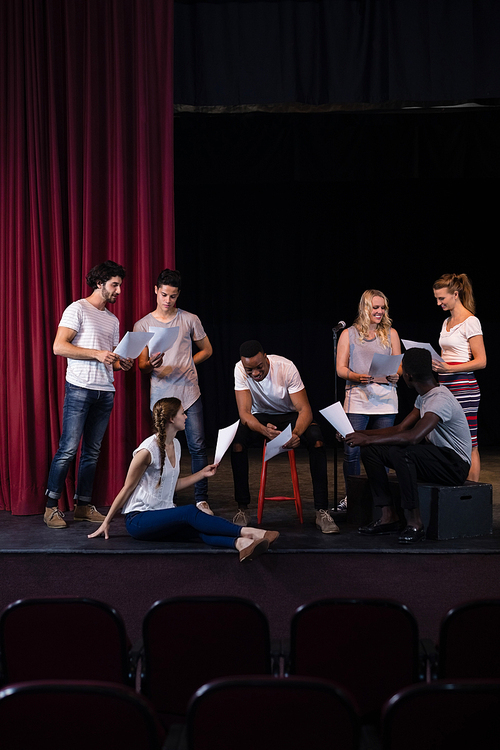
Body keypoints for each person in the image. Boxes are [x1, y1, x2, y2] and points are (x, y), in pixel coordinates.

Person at [88, 398, 278, 562]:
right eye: (182, 413)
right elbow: (126, 489)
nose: (186, 416)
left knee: (197, 529)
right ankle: (251, 532)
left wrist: (202, 473)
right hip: (139, 519)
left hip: (161, 515)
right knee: (190, 512)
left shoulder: (176, 444)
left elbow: (174, 485)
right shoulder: (147, 451)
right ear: (172, 419)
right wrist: (107, 521)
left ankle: (241, 544)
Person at [348, 348, 472, 544]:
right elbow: (400, 429)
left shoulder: (440, 399)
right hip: (437, 458)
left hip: (454, 466)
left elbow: (413, 436)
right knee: (371, 450)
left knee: (402, 452)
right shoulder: (424, 396)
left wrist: (368, 438)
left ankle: (415, 523)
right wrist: (359, 435)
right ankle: (388, 516)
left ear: (408, 375)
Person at [44, 260, 133, 529]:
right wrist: (97, 354)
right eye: (115, 285)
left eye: (120, 286)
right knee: (68, 450)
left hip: (105, 391)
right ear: (99, 283)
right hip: (79, 388)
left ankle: (83, 506)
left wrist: (122, 363)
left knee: (92, 452)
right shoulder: (77, 309)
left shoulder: (112, 319)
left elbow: (112, 358)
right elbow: (59, 347)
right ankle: (51, 507)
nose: (118, 291)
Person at [230, 340, 338, 534]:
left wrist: (296, 434)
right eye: (250, 369)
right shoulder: (239, 370)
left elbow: (305, 410)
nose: (255, 373)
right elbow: (245, 413)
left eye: (259, 367)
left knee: (318, 441)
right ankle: (242, 508)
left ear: (265, 357)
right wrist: (263, 430)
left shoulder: (285, 367)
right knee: (237, 444)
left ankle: (321, 511)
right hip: (261, 416)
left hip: (289, 415)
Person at [134, 268, 213, 513]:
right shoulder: (143, 324)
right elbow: (142, 366)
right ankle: (165, 498)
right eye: (164, 295)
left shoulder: (190, 319)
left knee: (197, 446)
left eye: (173, 296)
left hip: (189, 393)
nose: (168, 301)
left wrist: (189, 362)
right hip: (161, 397)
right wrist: (151, 364)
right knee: (162, 448)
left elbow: (207, 350)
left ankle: (201, 499)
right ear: (156, 291)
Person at [336, 289, 401, 511]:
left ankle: (380, 500)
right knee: (352, 450)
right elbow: (340, 368)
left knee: (382, 451)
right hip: (358, 398)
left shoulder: (391, 333)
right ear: (365, 308)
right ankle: (351, 498)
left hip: (385, 399)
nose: (380, 311)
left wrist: (396, 374)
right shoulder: (349, 334)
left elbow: (399, 364)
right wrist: (355, 376)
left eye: (383, 307)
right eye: (376, 307)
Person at [432, 273, 486, 482]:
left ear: (455, 294)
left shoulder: (470, 321)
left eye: (442, 298)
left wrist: (450, 369)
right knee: (445, 439)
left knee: (470, 442)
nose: (439, 303)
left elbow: (481, 361)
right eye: (436, 298)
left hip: (464, 388)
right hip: (444, 386)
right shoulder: (446, 321)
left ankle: (472, 493)